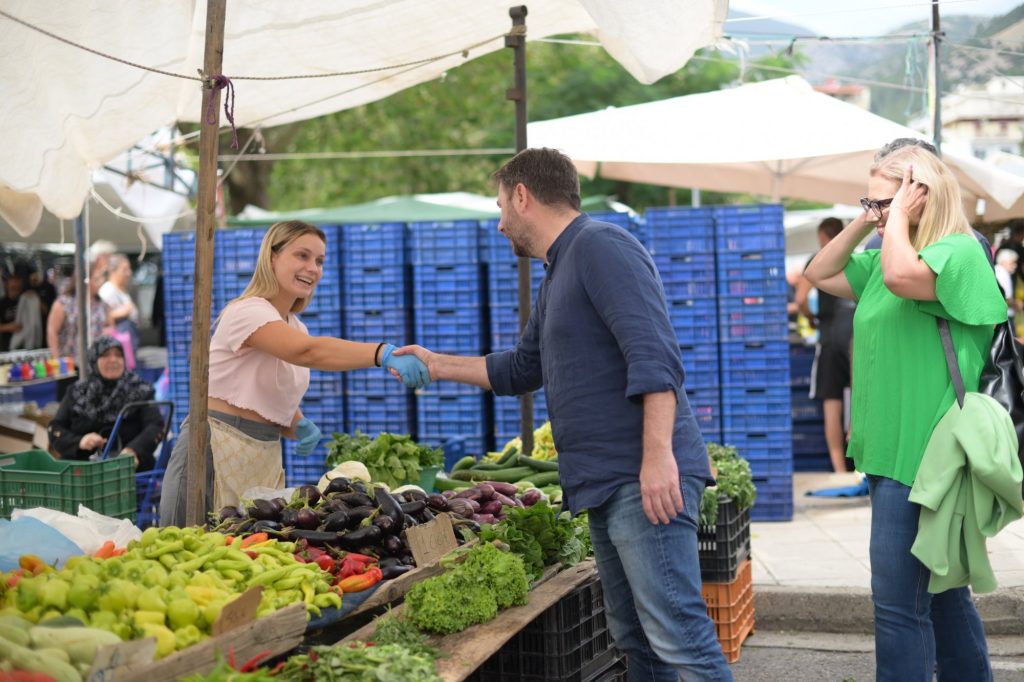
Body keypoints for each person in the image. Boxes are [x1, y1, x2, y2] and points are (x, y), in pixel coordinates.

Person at [395, 148, 732, 681]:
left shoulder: (601, 246)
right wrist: (435, 364)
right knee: (638, 642)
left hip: (639, 479)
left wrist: (657, 457)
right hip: (605, 483)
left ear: (523, 196)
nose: (501, 222)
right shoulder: (559, 269)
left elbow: (655, 355)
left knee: (680, 638)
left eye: (501, 205)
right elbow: (522, 368)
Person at [805, 145, 1006, 681]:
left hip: (925, 456)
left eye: (886, 198)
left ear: (923, 194)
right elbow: (819, 271)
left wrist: (894, 219)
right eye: (870, 200)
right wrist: (870, 215)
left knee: (897, 606)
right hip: (888, 453)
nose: (877, 212)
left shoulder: (959, 254)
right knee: (940, 594)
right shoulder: (884, 255)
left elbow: (900, 277)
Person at [159, 220, 430, 527]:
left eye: (319, 261)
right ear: (272, 257)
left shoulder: (295, 326)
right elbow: (307, 352)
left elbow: (266, 388)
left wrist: (297, 422)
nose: (312, 268)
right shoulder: (248, 311)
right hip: (214, 449)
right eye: (302, 255)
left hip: (265, 457)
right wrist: (382, 353)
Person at [865, 138, 994, 263]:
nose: (874, 215)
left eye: (884, 204)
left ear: (923, 189)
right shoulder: (877, 244)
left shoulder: (967, 246)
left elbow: (898, 277)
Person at [47, 335, 164, 471]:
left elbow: (155, 425)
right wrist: (80, 442)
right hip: (84, 472)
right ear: (94, 360)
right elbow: (55, 428)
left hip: (131, 471)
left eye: (118, 355)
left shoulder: (139, 390)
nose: (113, 360)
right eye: (105, 355)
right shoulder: (77, 392)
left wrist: (133, 450)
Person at [795, 217, 856, 473]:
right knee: (860, 397)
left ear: (822, 237)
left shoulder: (818, 259)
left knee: (832, 404)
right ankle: (860, 468)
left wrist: (811, 317)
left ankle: (839, 470)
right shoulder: (852, 256)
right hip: (855, 331)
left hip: (830, 333)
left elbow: (800, 299)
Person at [46, 259, 112, 360]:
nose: (100, 282)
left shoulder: (102, 304)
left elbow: (110, 326)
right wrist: (56, 358)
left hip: (97, 361)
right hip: (70, 360)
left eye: (101, 278)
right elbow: (52, 331)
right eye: (96, 279)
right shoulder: (64, 302)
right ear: (84, 280)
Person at [98, 253, 140, 354]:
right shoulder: (107, 291)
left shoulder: (121, 289)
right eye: (124, 269)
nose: (128, 273)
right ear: (113, 271)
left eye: (129, 269)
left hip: (130, 336)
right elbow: (102, 316)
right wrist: (122, 312)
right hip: (119, 340)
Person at [0, 272, 43, 351]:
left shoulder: (26, 299)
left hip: (28, 344)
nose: (15, 291)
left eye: (18, 288)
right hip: (8, 346)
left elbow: (43, 312)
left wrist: (35, 299)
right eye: (13, 288)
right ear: (7, 286)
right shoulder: (2, 303)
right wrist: (9, 327)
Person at [994, 248, 1019, 319]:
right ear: (1004, 262)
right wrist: (1016, 304)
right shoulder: (1001, 273)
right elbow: (1004, 298)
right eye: (1012, 263)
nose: (1015, 266)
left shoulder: (1002, 272)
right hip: (1004, 316)